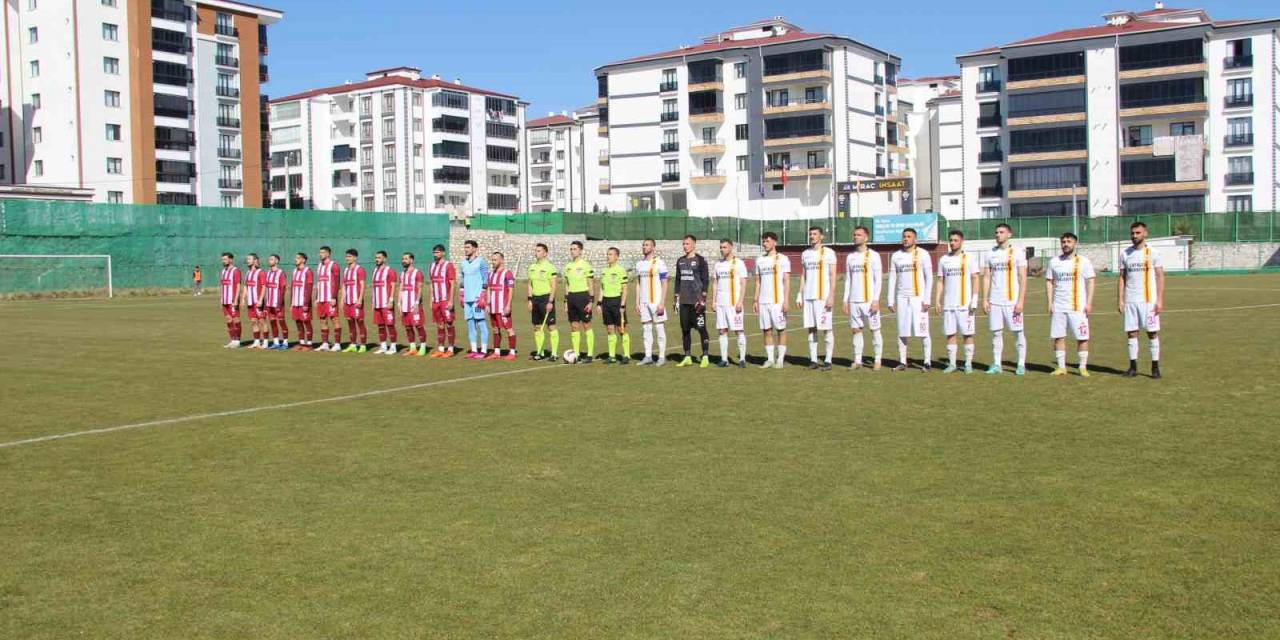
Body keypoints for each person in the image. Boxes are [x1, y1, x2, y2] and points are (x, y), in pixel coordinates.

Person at [1118, 222, 1165, 379]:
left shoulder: (1153, 253)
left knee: (1152, 333)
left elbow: (1160, 276)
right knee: (1132, 333)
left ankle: (1155, 367)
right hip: (1131, 300)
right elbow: (1122, 278)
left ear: (1145, 233)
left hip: (1148, 301)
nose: (1134, 236)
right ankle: (1133, 367)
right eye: (1132, 233)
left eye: (1138, 233)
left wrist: (1159, 300)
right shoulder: (1125, 254)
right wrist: (1121, 300)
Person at [1046, 232, 1096, 377]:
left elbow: (1091, 280)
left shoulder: (1083, 261)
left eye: (1069, 241)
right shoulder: (1054, 262)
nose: (1065, 244)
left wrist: (1089, 303)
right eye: (1063, 242)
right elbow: (1049, 281)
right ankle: (1061, 367)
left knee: (1082, 337)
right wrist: (1050, 302)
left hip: (1078, 306)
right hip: (1059, 306)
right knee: (1058, 336)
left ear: (1075, 243)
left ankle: (1082, 366)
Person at [982, 223, 1028, 375]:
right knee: (996, 333)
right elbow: (987, 277)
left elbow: (1022, 277)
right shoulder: (990, 254)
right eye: (996, 232)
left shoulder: (1018, 253)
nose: (998, 235)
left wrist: (1020, 301)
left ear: (1009, 234)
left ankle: (1021, 364)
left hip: (1012, 301)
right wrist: (985, 299)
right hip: (995, 301)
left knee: (1018, 333)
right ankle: (997, 364)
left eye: (1001, 232)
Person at [887, 228, 933, 371]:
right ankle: (902, 361)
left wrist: (927, 299)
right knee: (902, 331)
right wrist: (890, 299)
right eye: (904, 236)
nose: (906, 239)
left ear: (915, 239)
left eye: (909, 236)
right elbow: (892, 278)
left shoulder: (923, 254)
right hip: (902, 297)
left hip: (918, 298)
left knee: (923, 330)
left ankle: (927, 361)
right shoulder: (896, 256)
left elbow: (929, 277)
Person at [935, 230, 978, 373]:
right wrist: (938, 300)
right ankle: (952, 364)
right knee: (950, 334)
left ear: (961, 241)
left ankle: (968, 364)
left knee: (967, 334)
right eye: (951, 240)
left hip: (965, 305)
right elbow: (940, 280)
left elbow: (975, 278)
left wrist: (975, 298)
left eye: (955, 240)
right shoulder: (943, 259)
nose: (952, 243)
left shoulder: (969, 258)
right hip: (949, 304)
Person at [843, 225, 883, 370]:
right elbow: (848, 279)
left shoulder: (874, 255)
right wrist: (845, 300)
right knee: (856, 330)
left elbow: (878, 279)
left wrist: (876, 299)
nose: (855, 237)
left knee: (875, 330)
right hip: (854, 300)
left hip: (869, 301)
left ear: (866, 237)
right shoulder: (850, 257)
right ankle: (857, 360)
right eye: (854, 235)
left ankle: (877, 359)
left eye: (859, 235)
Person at [799, 226, 837, 371]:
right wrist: (799, 294)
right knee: (811, 329)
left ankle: (828, 360)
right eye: (810, 234)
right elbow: (803, 275)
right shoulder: (805, 253)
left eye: (815, 234)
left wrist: (831, 295)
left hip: (823, 297)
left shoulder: (829, 253)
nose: (812, 236)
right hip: (808, 297)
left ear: (821, 236)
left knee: (826, 328)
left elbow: (833, 275)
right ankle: (813, 360)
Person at [754, 231, 790, 369]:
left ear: (775, 242)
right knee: (766, 330)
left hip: (777, 301)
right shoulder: (760, 260)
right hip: (763, 301)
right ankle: (769, 359)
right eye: (763, 241)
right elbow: (758, 282)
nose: (765, 244)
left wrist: (786, 300)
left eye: (767, 241)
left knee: (781, 329)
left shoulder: (783, 259)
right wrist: (755, 300)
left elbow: (786, 281)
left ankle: (780, 359)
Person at [673, 235, 711, 368]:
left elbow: (705, 281)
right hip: (684, 302)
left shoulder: (701, 260)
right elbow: (678, 281)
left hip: (697, 302)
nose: (685, 246)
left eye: (687, 244)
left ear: (694, 244)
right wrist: (675, 298)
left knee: (701, 329)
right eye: (683, 244)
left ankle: (705, 356)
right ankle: (687, 356)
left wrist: (702, 300)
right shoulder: (680, 261)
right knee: (685, 330)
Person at [711, 239, 749, 368]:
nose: (722, 249)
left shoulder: (739, 263)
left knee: (738, 330)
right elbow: (715, 283)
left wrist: (740, 301)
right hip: (721, 304)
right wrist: (714, 301)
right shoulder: (718, 265)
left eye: (725, 247)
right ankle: (724, 359)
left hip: (734, 304)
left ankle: (742, 359)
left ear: (731, 247)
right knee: (722, 330)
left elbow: (744, 283)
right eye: (721, 247)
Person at [634, 238, 669, 366]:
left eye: (647, 245)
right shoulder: (639, 264)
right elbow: (638, 284)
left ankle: (661, 357)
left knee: (659, 327)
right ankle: (648, 356)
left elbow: (665, 283)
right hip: (643, 302)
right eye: (643, 245)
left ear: (653, 247)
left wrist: (662, 302)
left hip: (656, 301)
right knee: (646, 328)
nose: (644, 247)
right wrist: (637, 302)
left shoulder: (659, 263)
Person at [563, 241, 597, 363]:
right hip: (571, 297)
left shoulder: (586, 265)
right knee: (574, 326)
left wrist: (591, 301)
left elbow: (591, 284)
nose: (573, 251)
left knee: (586, 325)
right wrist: (566, 301)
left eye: (575, 249)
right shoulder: (568, 266)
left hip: (583, 297)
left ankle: (589, 354)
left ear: (581, 251)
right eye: (571, 249)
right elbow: (567, 285)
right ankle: (576, 354)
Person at [527, 243, 560, 361]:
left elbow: (554, 286)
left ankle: (554, 354)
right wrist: (530, 300)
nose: (536, 252)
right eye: (535, 250)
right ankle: (539, 353)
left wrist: (550, 301)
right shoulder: (531, 267)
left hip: (546, 299)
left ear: (545, 253)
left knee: (551, 326)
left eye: (539, 251)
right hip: (535, 299)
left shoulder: (550, 267)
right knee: (537, 327)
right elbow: (530, 285)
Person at [459, 240, 490, 359]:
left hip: (477, 299)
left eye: (468, 247)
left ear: (475, 249)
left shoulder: (481, 262)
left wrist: (483, 294)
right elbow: (462, 279)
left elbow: (486, 279)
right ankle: (473, 350)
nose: (466, 249)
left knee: (481, 323)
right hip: (467, 299)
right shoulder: (463, 263)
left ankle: (483, 350)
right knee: (470, 324)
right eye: (465, 247)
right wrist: (461, 294)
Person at [598, 247, 631, 364]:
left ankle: (626, 355)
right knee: (610, 329)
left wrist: (622, 305)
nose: (608, 256)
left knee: (621, 329)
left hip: (617, 301)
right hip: (606, 302)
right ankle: (612, 356)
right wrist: (599, 303)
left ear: (617, 256)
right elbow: (602, 288)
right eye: (607, 254)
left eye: (611, 254)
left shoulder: (621, 270)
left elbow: (625, 289)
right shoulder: (604, 271)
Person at [486, 252, 518, 360]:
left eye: (495, 260)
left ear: (501, 260)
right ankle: (496, 352)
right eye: (492, 260)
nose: (493, 262)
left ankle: (512, 353)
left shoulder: (507, 273)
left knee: (509, 329)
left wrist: (508, 305)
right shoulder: (490, 274)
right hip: (493, 307)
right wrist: (488, 303)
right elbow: (489, 289)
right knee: (495, 329)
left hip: (502, 307)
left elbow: (510, 290)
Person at [428, 244, 458, 358]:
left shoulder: (448, 265)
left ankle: (450, 349)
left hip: (445, 300)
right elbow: (432, 283)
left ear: (443, 253)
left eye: (437, 252)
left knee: (449, 324)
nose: (435, 254)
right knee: (439, 325)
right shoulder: (432, 266)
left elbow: (452, 283)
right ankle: (441, 349)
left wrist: (451, 301)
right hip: (436, 301)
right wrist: (431, 299)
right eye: (434, 252)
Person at [313, 245, 342, 352]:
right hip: (321, 299)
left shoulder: (334, 265)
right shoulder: (319, 266)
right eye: (320, 252)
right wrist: (316, 298)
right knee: (322, 320)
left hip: (330, 298)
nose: (321, 254)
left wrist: (334, 297)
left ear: (328, 254)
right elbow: (318, 283)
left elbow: (336, 282)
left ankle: (337, 344)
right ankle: (325, 343)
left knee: (334, 319)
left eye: (323, 252)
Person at [370, 250, 399, 354]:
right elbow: (373, 287)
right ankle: (383, 346)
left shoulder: (390, 271)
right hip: (377, 303)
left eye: (379, 258)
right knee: (380, 325)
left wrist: (391, 300)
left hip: (386, 303)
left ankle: (393, 347)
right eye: (376, 258)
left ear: (384, 259)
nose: (377, 260)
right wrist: (373, 301)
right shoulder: (375, 271)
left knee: (390, 325)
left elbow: (393, 286)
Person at [399, 252, 428, 357]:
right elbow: (401, 288)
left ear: (412, 260)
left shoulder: (417, 273)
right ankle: (412, 348)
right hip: (405, 304)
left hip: (414, 304)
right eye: (403, 259)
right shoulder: (402, 274)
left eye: (406, 259)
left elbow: (420, 288)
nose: (403, 261)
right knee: (407, 326)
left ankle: (423, 348)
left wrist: (416, 302)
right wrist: (399, 302)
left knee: (419, 326)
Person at [341, 249, 368, 353]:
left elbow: (362, 285)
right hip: (348, 302)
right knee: (350, 322)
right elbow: (343, 285)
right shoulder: (346, 270)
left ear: (355, 258)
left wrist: (360, 299)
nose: (347, 258)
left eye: (350, 256)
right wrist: (342, 299)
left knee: (360, 322)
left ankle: (363, 345)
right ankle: (353, 344)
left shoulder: (359, 269)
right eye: (346, 256)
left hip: (356, 301)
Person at [240, 253, 267, 349]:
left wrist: (260, 300)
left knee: (262, 321)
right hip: (250, 302)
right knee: (253, 322)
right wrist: (243, 298)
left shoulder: (261, 272)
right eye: (247, 259)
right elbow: (246, 286)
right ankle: (256, 342)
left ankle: (266, 342)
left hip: (258, 302)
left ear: (255, 260)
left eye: (249, 259)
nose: (247, 260)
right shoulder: (247, 273)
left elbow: (264, 287)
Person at [289, 253, 315, 351]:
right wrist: (291, 302)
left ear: (303, 260)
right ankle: (301, 342)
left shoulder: (308, 271)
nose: (295, 259)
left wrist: (306, 303)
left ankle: (309, 344)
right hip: (295, 302)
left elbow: (309, 288)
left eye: (298, 258)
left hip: (303, 302)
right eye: (295, 258)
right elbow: (292, 287)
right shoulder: (294, 271)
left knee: (306, 322)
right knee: (298, 322)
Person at [263, 254, 289, 350]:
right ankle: (276, 342)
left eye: (272, 259)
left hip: (278, 303)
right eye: (269, 259)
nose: (269, 260)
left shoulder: (281, 273)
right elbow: (266, 289)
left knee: (281, 321)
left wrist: (279, 303)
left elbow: (283, 289)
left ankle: (285, 342)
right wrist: (265, 304)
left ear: (277, 261)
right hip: (269, 303)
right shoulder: (268, 273)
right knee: (272, 322)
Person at [218, 252, 242, 348]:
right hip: (225, 300)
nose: (223, 261)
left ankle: (237, 341)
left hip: (232, 300)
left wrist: (236, 300)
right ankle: (232, 340)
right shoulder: (223, 271)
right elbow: (222, 286)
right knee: (228, 320)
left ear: (231, 260)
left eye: (225, 259)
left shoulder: (235, 271)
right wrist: (221, 299)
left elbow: (238, 285)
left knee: (236, 320)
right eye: (222, 259)